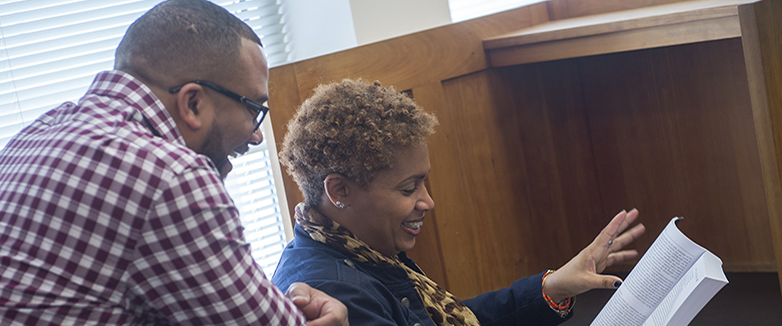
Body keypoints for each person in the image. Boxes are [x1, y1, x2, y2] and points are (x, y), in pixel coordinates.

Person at [0, 0, 347, 326]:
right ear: (192, 102)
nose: (257, 134)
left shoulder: (43, 130)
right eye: (253, 109)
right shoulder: (171, 176)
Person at [272, 79, 646, 326]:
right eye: (408, 189)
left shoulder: (355, 246)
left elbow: (452, 317)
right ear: (339, 191)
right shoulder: (334, 295)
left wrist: (553, 287)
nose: (427, 202)